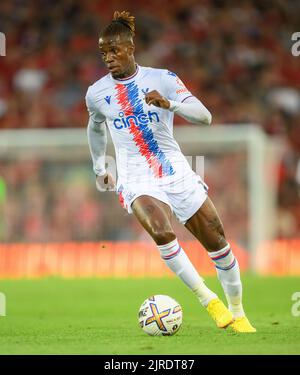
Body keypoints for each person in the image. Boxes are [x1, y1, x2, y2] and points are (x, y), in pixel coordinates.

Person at [85, 10, 256, 333]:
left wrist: (170, 104)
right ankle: (210, 301)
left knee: (217, 242)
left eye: (114, 50)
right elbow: (95, 126)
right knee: (161, 231)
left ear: (130, 47)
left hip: (175, 170)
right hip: (135, 177)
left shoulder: (162, 78)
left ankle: (238, 312)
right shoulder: (97, 93)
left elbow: (204, 116)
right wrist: (99, 165)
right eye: (103, 52)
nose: (108, 58)